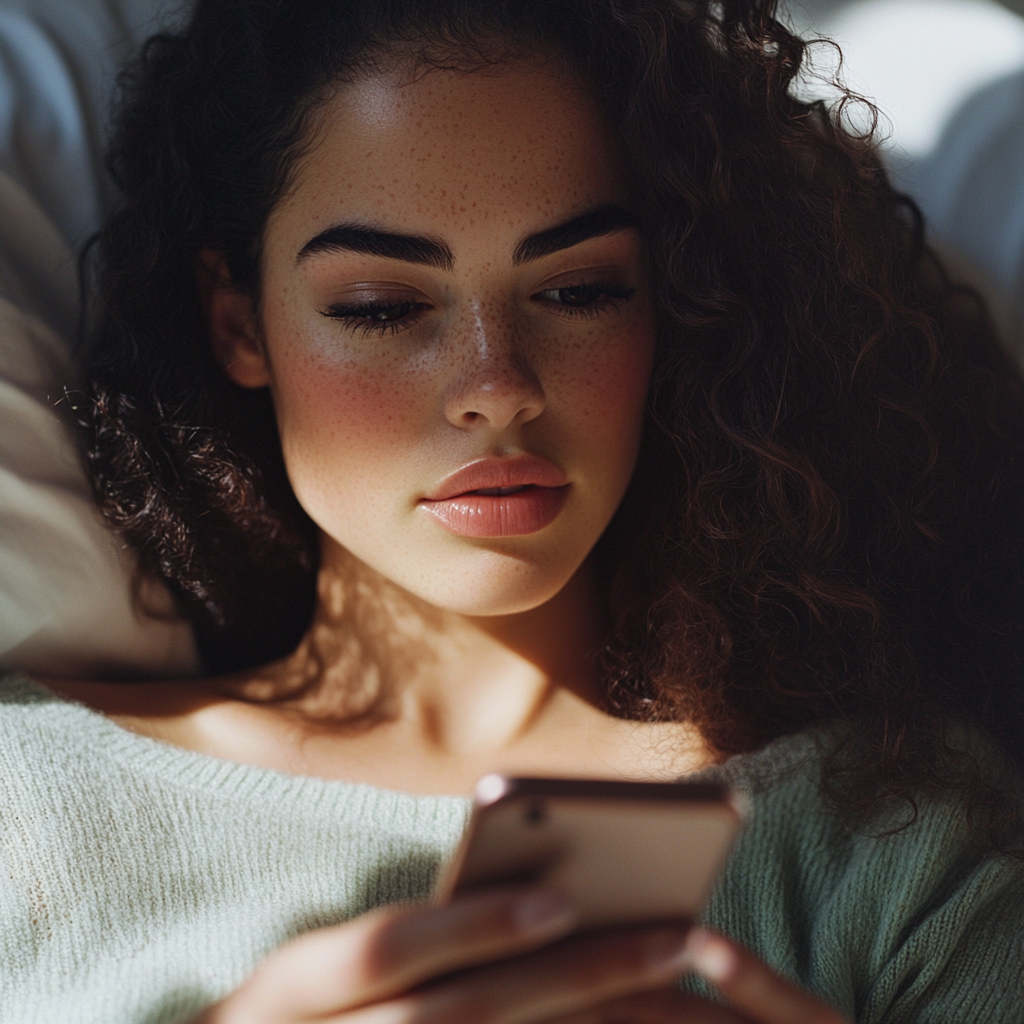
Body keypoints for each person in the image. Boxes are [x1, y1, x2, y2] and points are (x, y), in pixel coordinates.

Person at [2, 0, 1023, 1020]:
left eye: (579, 290)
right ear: (240, 325)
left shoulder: (893, 839)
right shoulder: (31, 808)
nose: (497, 383)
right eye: (382, 308)